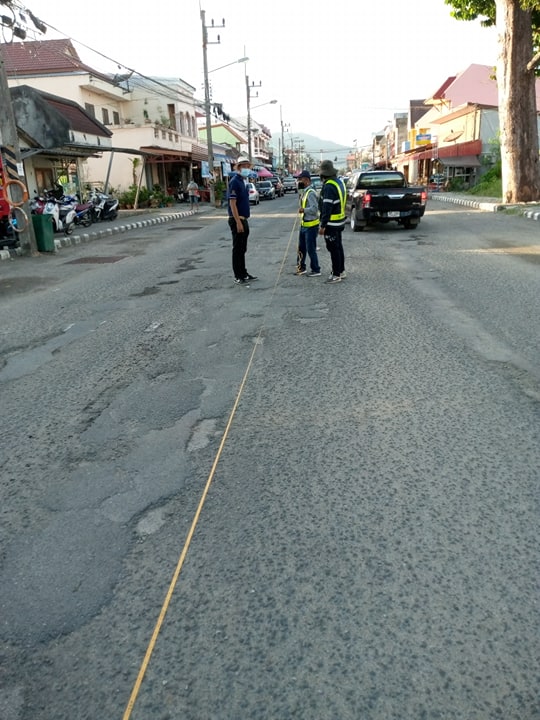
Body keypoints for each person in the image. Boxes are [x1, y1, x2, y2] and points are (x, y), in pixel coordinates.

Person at [227, 154, 258, 285]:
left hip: (244, 219)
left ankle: (243, 273)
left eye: (247, 166)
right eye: (243, 166)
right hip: (237, 219)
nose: (246, 168)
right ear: (238, 168)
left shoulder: (244, 182)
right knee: (237, 248)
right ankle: (238, 275)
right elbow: (232, 203)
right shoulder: (234, 181)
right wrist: (238, 222)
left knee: (243, 248)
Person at [318, 159, 346, 283]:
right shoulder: (339, 182)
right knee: (338, 246)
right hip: (340, 221)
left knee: (333, 248)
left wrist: (323, 225)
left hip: (331, 223)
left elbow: (327, 207)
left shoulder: (329, 186)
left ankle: (336, 274)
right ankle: (341, 270)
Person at [295, 170, 321, 277]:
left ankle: (316, 269)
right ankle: (301, 268)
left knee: (310, 248)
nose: (299, 181)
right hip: (304, 224)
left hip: (311, 225)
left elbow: (314, 209)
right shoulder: (304, 192)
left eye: (300, 179)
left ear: (306, 180)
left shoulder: (311, 193)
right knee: (301, 248)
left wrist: (303, 210)